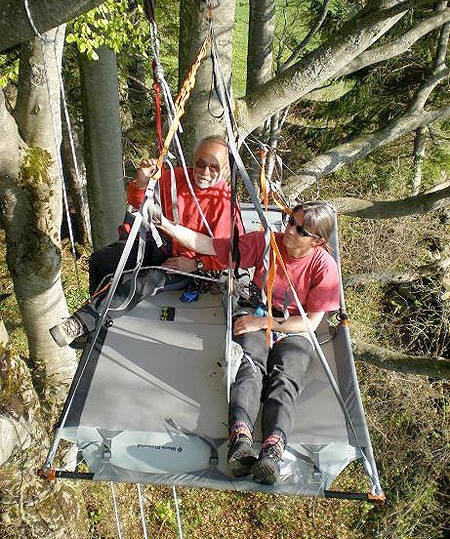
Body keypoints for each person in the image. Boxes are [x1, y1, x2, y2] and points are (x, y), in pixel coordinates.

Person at [156, 202, 340, 484]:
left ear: (316, 240)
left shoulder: (324, 267)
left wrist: (265, 324)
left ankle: (273, 450)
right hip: (257, 310)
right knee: (250, 365)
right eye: (291, 221)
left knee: (286, 376)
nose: (289, 230)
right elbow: (210, 245)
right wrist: (168, 226)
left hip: (291, 326)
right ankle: (240, 439)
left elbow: (311, 323)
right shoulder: (266, 243)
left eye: (300, 230)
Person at [50, 136, 243, 347]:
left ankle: (81, 322)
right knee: (102, 259)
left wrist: (196, 264)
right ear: (193, 160)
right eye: (201, 164)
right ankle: (98, 321)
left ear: (224, 168)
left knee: (146, 281)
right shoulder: (176, 178)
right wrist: (142, 182)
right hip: (158, 245)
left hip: (188, 266)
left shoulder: (225, 202)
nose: (205, 172)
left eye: (214, 167)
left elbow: (231, 253)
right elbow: (139, 202)